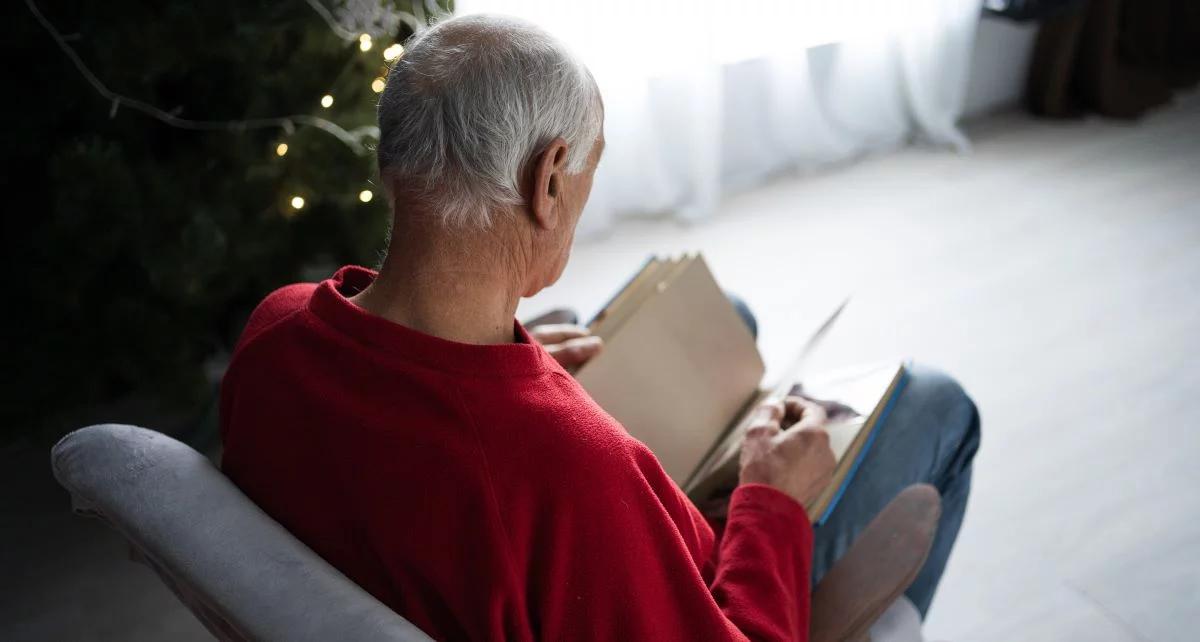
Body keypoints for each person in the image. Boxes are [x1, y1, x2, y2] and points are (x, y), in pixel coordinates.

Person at [220, 13, 979, 641]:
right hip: (672, 571)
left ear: (393, 158)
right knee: (939, 406)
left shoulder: (274, 330)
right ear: (548, 181)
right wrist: (773, 503)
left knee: (730, 318)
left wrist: (503, 367)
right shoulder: (569, 475)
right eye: (589, 168)